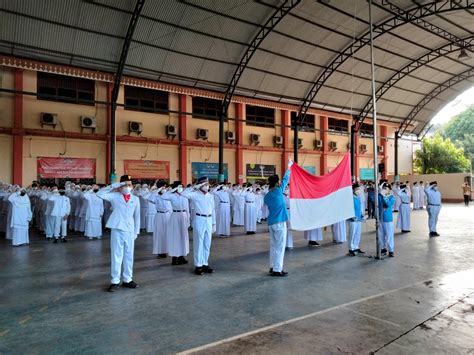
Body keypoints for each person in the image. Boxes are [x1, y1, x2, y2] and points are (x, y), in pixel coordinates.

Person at [97, 175, 141, 292]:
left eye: (130, 185)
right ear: (120, 186)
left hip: (130, 230)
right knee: (116, 255)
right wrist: (114, 185)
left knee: (129, 255)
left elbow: (137, 217)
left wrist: (136, 231)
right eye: (125, 184)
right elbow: (99, 194)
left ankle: (127, 279)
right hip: (117, 228)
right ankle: (115, 281)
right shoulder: (114, 196)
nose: (128, 187)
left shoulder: (135, 199)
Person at [180, 177, 216, 276]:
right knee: (199, 243)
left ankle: (205, 263)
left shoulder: (210, 196)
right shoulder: (195, 195)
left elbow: (213, 210)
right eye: (205, 185)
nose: (207, 186)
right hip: (199, 219)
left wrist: (214, 223)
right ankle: (198, 265)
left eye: (208, 184)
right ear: (200, 185)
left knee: (207, 243)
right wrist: (193, 187)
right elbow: (183, 194)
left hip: (209, 219)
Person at [264, 160, 292, 277]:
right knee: (280, 247)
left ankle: (272, 266)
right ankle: (277, 269)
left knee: (273, 246)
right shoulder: (279, 191)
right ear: (277, 183)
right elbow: (286, 179)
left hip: (271, 223)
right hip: (280, 223)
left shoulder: (267, 196)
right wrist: (289, 167)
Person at [161, 181, 190, 266]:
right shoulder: (171, 196)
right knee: (175, 237)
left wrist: (188, 220)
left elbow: (187, 208)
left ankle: (182, 256)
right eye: (179, 186)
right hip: (175, 216)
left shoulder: (185, 196)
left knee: (183, 237)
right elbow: (163, 196)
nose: (181, 188)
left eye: (182, 186)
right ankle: (174, 258)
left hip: (184, 215)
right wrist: (172, 190)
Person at [146, 180, 171, 258]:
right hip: (159, 215)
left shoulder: (168, 195)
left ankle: (167, 250)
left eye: (165, 187)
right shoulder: (156, 196)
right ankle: (160, 252)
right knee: (159, 234)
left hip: (167, 215)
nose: (164, 188)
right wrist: (157, 190)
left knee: (167, 234)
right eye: (163, 187)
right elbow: (150, 198)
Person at [378, 183, 396, 257]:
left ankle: (391, 250)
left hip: (388, 219)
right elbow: (377, 203)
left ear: (389, 189)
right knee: (381, 235)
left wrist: (383, 195)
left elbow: (388, 204)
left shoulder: (391, 197)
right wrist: (379, 193)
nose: (385, 190)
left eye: (386, 188)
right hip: (380, 218)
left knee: (389, 235)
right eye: (384, 188)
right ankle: (383, 248)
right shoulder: (380, 196)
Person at [348, 183, 364, 256]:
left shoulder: (358, 197)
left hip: (359, 218)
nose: (358, 191)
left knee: (358, 233)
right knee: (352, 233)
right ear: (353, 190)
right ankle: (351, 248)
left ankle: (356, 246)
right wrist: (351, 216)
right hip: (353, 219)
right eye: (357, 189)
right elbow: (348, 208)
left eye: (359, 189)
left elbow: (359, 207)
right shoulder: (350, 198)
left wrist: (361, 215)